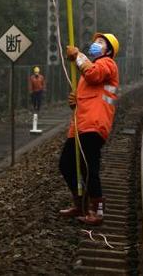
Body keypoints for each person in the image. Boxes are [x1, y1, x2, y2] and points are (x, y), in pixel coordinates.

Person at [59, 33, 120, 226]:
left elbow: (94, 75)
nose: (96, 44)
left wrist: (78, 56)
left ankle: (97, 209)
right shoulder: (89, 70)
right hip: (81, 124)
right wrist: (75, 102)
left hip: (94, 125)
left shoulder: (107, 64)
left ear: (108, 51)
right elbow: (90, 91)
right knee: (66, 164)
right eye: (96, 41)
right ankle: (80, 204)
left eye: (101, 42)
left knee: (88, 167)